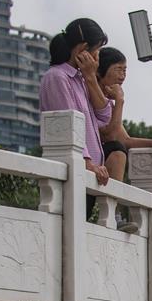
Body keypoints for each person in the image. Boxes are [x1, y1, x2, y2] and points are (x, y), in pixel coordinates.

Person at [95, 47, 152, 232]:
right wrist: (120, 101)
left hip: (98, 167)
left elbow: (125, 139)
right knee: (117, 152)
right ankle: (113, 215)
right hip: (90, 163)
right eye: (118, 69)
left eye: (125, 70)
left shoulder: (109, 101)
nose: (123, 75)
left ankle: (114, 214)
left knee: (119, 148)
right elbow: (111, 136)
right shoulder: (94, 97)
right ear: (100, 70)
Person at [39, 18, 111, 192]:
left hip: (86, 176)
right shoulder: (57, 77)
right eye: (97, 50)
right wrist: (88, 164)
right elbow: (67, 126)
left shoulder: (81, 79)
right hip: (73, 174)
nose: (98, 57)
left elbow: (104, 117)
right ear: (82, 49)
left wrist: (91, 78)